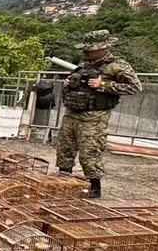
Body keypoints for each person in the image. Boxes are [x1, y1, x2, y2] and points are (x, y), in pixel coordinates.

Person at [56, 29, 141, 198]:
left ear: (103, 48)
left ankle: (94, 188)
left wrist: (104, 85)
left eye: (90, 50)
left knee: (89, 153)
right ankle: (62, 182)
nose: (86, 52)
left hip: (94, 118)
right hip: (72, 113)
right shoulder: (84, 65)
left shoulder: (116, 65)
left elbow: (135, 87)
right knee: (65, 150)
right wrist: (68, 83)